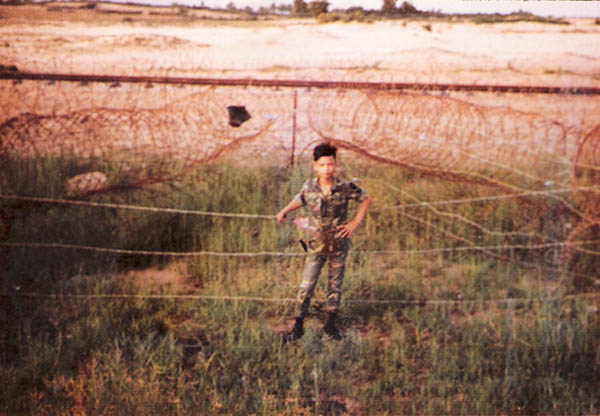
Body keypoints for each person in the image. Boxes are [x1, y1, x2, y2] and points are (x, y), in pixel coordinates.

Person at [276, 143, 371, 342]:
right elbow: (299, 199)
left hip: (338, 244)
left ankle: (330, 325)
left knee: (335, 286)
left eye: (330, 164)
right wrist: (285, 210)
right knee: (306, 286)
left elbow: (365, 199)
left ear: (335, 165)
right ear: (315, 166)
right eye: (322, 165)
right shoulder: (309, 187)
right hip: (316, 245)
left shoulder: (344, 187)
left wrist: (354, 224)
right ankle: (298, 326)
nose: (327, 169)